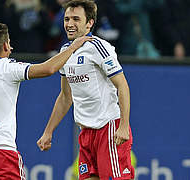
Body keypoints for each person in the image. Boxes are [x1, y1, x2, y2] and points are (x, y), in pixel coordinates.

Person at [0, 22, 92, 179]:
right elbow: (47, 69)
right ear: (6, 45)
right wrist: (72, 48)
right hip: (0, 151)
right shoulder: (8, 68)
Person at [36, 0, 134, 179]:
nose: (69, 24)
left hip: (109, 128)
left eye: (76, 19)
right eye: (66, 19)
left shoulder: (99, 47)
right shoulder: (65, 51)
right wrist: (48, 131)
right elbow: (66, 97)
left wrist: (124, 126)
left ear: (89, 23)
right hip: (86, 133)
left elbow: (122, 85)